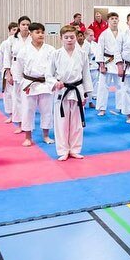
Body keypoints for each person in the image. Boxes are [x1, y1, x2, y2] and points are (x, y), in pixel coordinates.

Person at [51, 25, 93, 160]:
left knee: (77, 123)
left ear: (76, 38)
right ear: (61, 38)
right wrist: (54, 82)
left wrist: (87, 93)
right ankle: (63, 150)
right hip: (61, 90)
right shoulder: (56, 54)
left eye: (72, 37)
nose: (69, 40)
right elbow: (48, 74)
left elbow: (86, 74)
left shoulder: (82, 54)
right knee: (61, 123)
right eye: (66, 37)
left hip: (77, 90)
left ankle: (75, 149)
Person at [14, 22, 56, 147]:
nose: (41, 34)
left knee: (47, 111)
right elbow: (18, 69)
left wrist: (53, 82)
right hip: (29, 84)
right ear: (30, 34)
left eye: (42, 32)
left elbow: (55, 68)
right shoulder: (23, 50)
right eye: (37, 32)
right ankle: (28, 137)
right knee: (27, 111)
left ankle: (46, 135)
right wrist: (21, 83)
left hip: (45, 84)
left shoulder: (51, 50)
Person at [96, 12, 121, 116]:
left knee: (120, 86)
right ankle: (102, 108)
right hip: (107, 61)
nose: (114, 20)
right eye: (112, 19)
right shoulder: (104, 34)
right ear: (108, 21)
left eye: (116, 18)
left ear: (118, 20)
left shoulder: (123, 33)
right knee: (103, 86)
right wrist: (101, 65)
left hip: (119, 62)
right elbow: (99, 50)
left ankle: (121, 107)